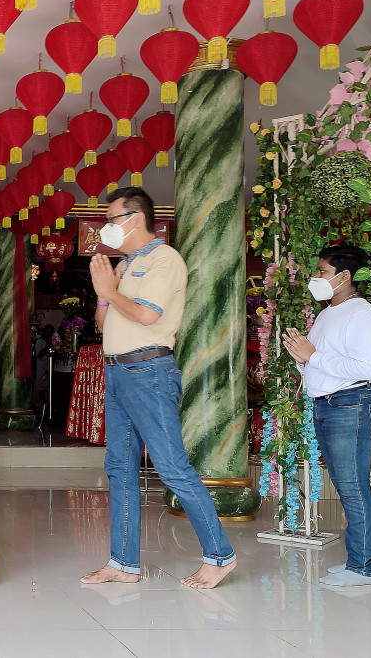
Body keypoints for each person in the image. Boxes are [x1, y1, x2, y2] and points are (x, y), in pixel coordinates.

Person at [82, 187, 236, 590]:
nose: (105, 227)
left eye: (111, 218)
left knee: (171, 467)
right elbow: (102, 326)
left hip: (147, 371)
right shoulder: (128, 263)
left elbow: (148, 316)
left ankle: (220, 556)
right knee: (119, 468)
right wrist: (105, 295)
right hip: (117, 373)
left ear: (134, 219)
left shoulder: (164, 259)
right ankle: (123, 562)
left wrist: (110, 291)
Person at [283, 244, 371, 586]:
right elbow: (320, 364)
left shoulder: (361, 313)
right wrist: (301, 356)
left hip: (354, 401)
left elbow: (366, 368)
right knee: (349, 485)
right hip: (329, 402)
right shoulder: (328, 313)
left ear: (345, 276)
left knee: (352, 485)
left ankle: (360, 567)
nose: (316, 278)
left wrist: (312, 356)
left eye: (323, 272)